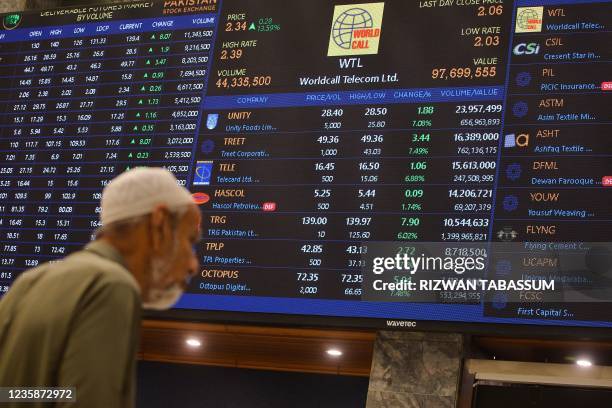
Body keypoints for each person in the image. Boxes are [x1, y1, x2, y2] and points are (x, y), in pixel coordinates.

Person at [0, 167, 201, 408]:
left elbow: (9, 393)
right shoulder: (111, 285)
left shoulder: (30, 280)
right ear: (160, 224)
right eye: (189, 240)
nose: (192, 265)